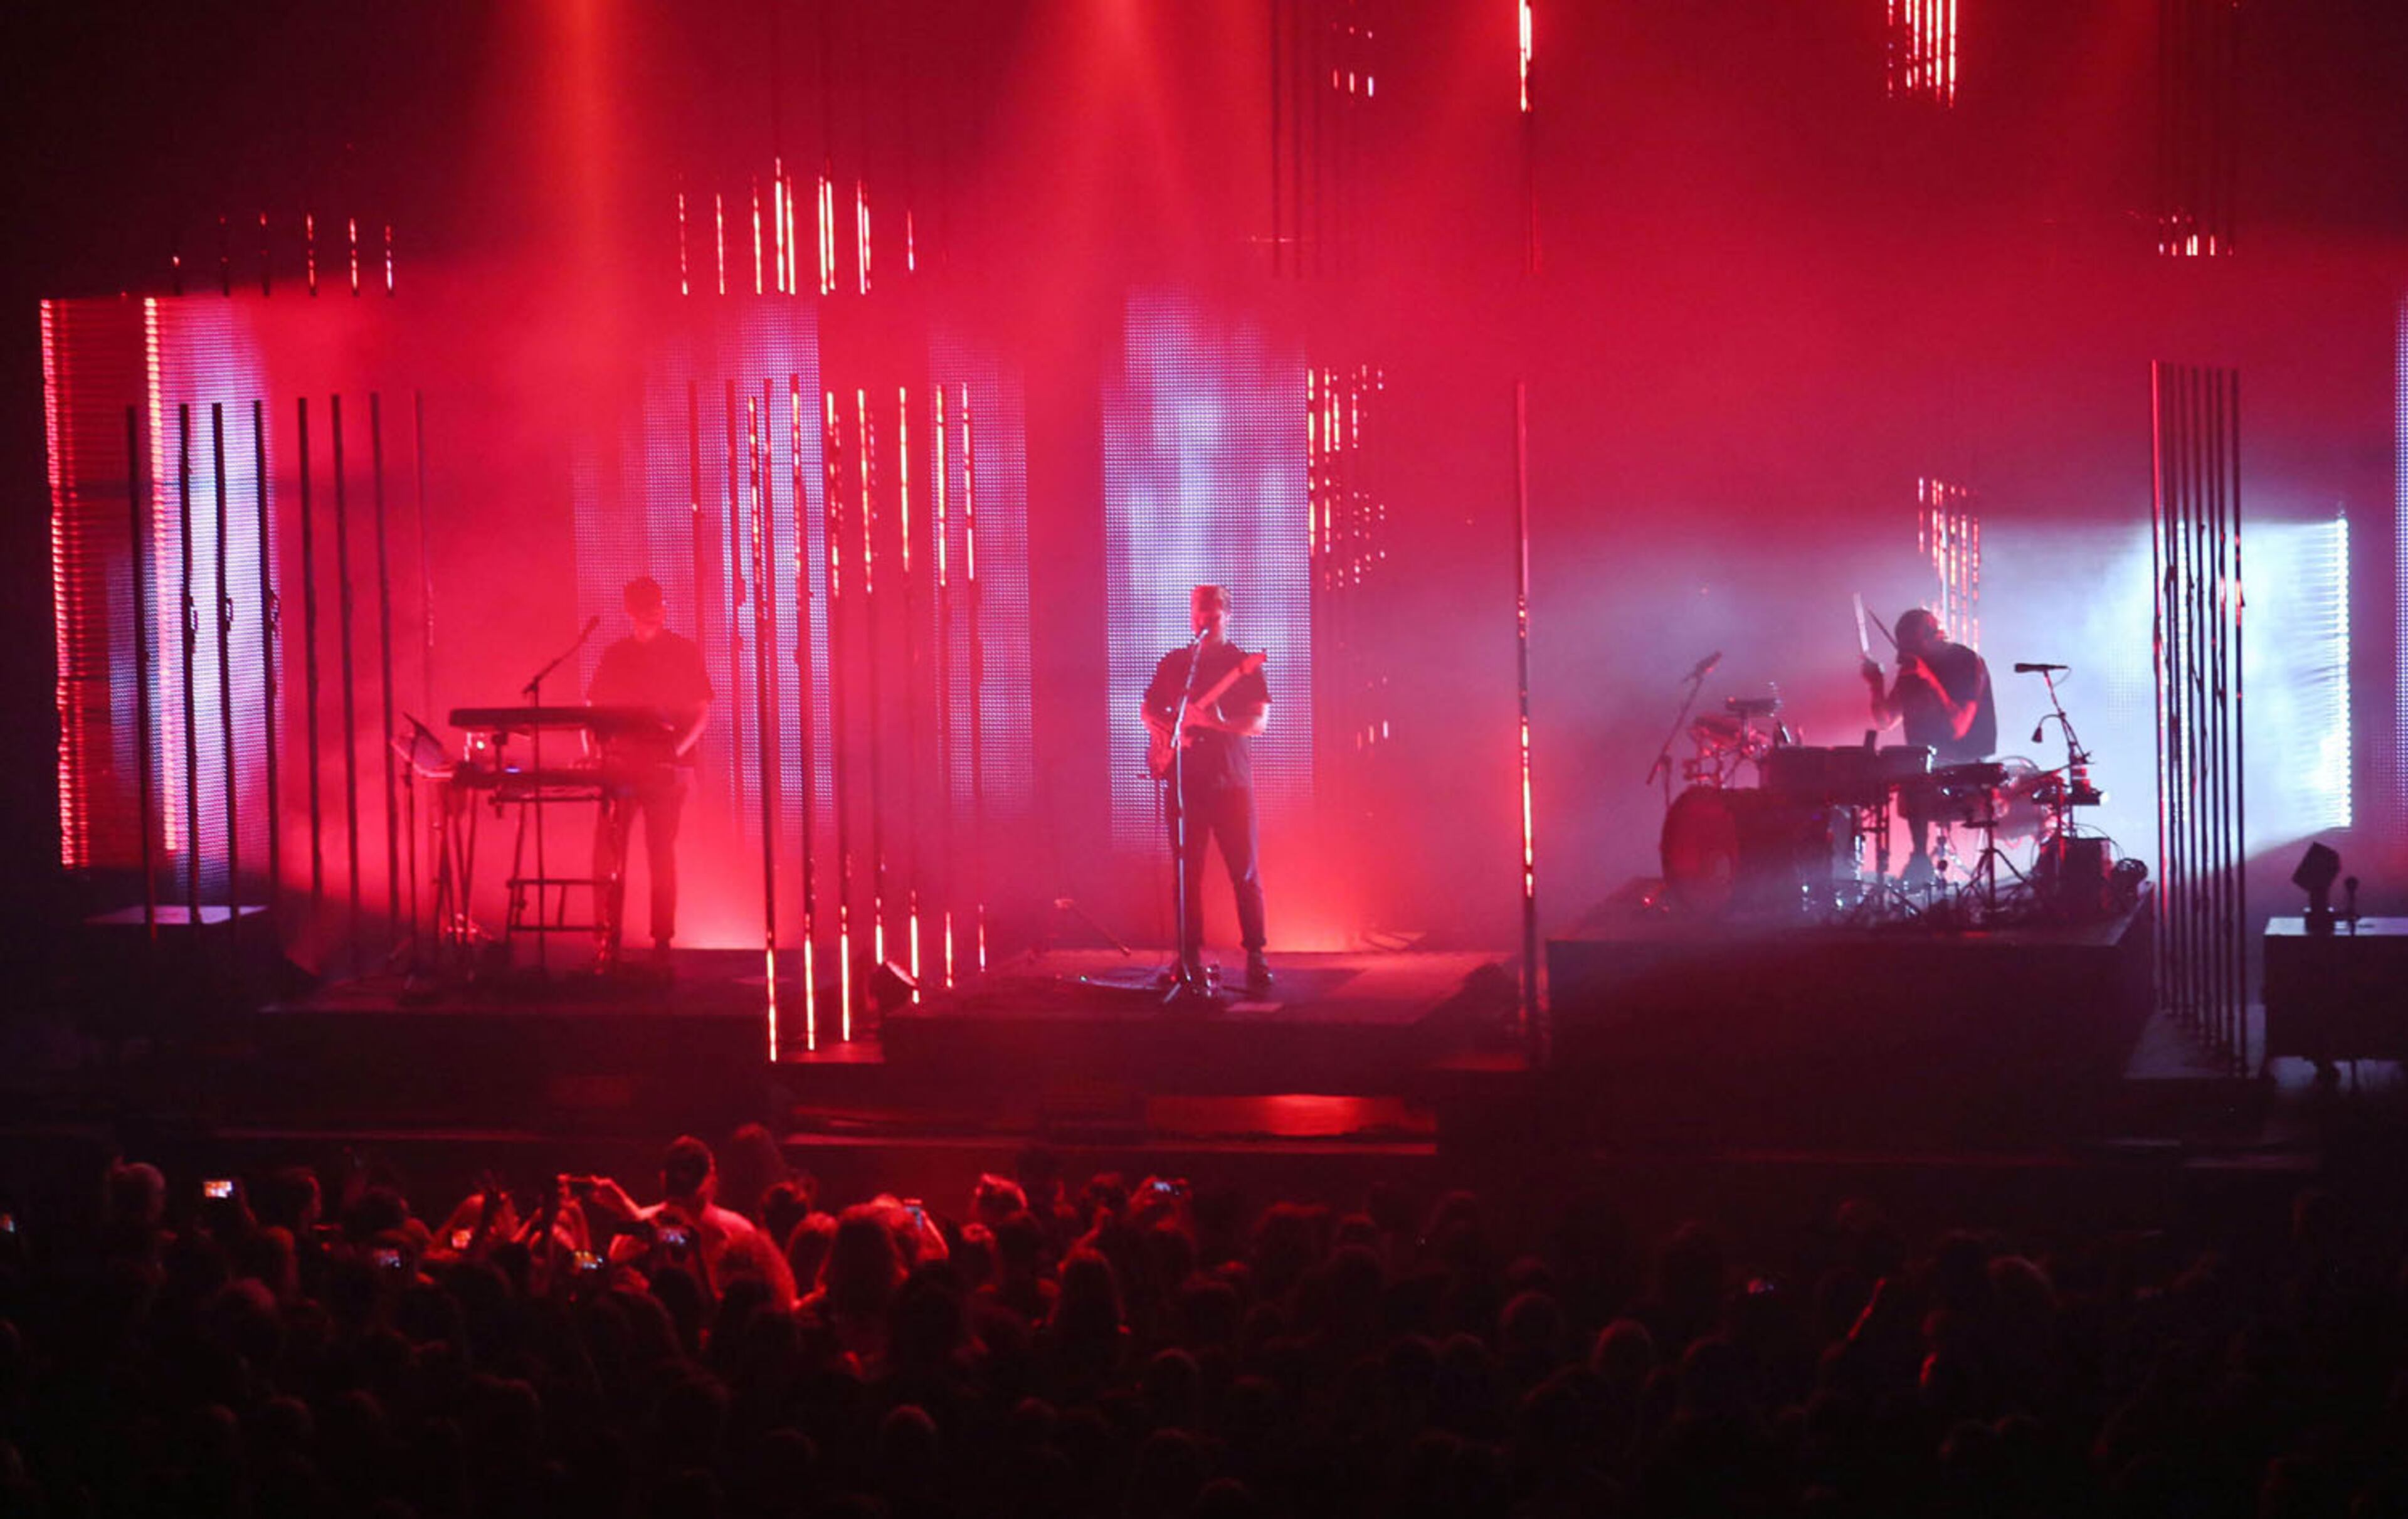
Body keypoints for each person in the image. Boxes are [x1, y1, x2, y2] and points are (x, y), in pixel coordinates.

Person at [1141, 585, 1272, 993]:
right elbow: (1148, 708)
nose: (1204, 622)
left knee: (1244, 872)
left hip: (1231, 783)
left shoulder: (1242, 664)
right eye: (1199, 614)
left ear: (1227, 617)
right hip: (1184, 783)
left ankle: (1256, 956)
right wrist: (1168, 732)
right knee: (1186, 874)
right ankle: (1189, 956)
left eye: (1212, 616)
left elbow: (1259, 724)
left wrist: (1215, 724)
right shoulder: (1177, 663)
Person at [587, 576, 712, 969]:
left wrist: (678, 753)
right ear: (630, 610)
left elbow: (701, 712)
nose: (656, 609)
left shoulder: (682, 651)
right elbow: (590, 711)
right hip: (621, 768)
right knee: (608, 854)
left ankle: (662, 941)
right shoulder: (616, 654)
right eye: (647, 604)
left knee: (661, 854)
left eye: (659, 603)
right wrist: (595, 756)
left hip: (663, 771)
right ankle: (606, 936)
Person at [1860, 607, 1997, 884]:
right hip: (1927, 765)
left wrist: (1929, 680)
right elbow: (1886, 720)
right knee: (1907, 774)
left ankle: (1920, 858)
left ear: (1932, 636)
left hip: (1966, 763)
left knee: (1916, 779)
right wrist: (1876, 685)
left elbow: (1959, 726)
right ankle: (1919, 858)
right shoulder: (1913, 668)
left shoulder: (1965, 662)